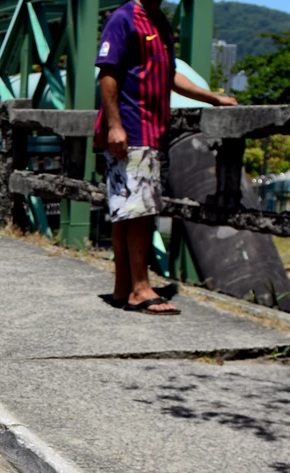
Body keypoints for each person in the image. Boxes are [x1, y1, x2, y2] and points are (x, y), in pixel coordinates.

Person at [95, 0, 237, 315]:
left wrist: (212, 97)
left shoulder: (159, 21)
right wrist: (115, 126)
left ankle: (123, 288)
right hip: (133, 127)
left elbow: (169, 75)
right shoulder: (124, 18)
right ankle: (140, 289)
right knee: (141, 212)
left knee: (127, 211)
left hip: (150, 129)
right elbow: (107, 73)